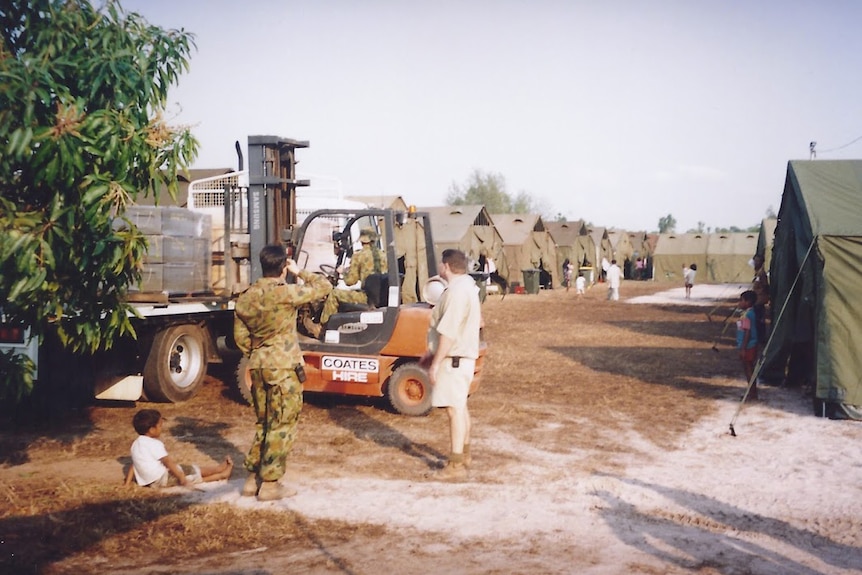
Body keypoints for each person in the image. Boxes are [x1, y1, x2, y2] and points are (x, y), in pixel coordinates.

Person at [234, 244, 332, 501]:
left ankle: (250, 480)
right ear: (282, 267)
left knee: (263, 424)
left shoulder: (245, 297)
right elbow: (324, 288)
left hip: (257, 366)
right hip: (284, 369)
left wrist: (258, 353)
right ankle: (270, 484)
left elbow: (240, 338)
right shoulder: (286, 293)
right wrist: (300, 272)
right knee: (282, 426)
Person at [420, 249, 482, 480]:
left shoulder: (456, 291)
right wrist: (431, 355)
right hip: (461, 358)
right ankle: (463, 455)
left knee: (454, 410)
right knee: (460, 407)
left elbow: (448, 332)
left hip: (453, 360)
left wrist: (435, 364)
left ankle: (456, 465)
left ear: (445, 266)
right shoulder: (468, 287)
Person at [124, 408, 233, 488]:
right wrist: (181, 478)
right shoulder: (154, 444)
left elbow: (134, 465)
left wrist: (127, 483)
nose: (161, 429)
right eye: (160, 426)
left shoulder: (135, 444)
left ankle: (217, 469)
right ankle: (221, 474)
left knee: (188, 470)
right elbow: (167, 462)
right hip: (162, 478)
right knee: (191, 473)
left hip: (151, 482)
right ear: (152, 429)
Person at [318, 227, 388, 327]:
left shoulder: (358, 256)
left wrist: (342, 272)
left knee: (334, 294)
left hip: (367, 298)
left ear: (362, 241)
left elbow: (350, 281)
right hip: (381, 296)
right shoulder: (383, 255)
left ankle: (323, 327)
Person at [736, 290, 760, 400]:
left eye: (741, 300)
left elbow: (747, 332)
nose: (739, 303)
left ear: (748, 302)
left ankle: (752, 393)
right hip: (749, 345)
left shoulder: (747, 315)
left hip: (748, 346)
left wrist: (743, 348)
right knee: (748, 368)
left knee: (748, 368)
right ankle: (752, 392)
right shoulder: (750, 313)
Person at [751, 254, 769, 346]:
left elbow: (765, 286)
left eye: (758, 261)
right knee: (757, 320)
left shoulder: (762, 273)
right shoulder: (757, 272)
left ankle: (761, 338)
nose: (756, 262)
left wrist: (766, 297)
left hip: (760, 300)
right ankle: (759, 337)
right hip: (756, 299)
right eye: (755, 260)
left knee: (760, 320)